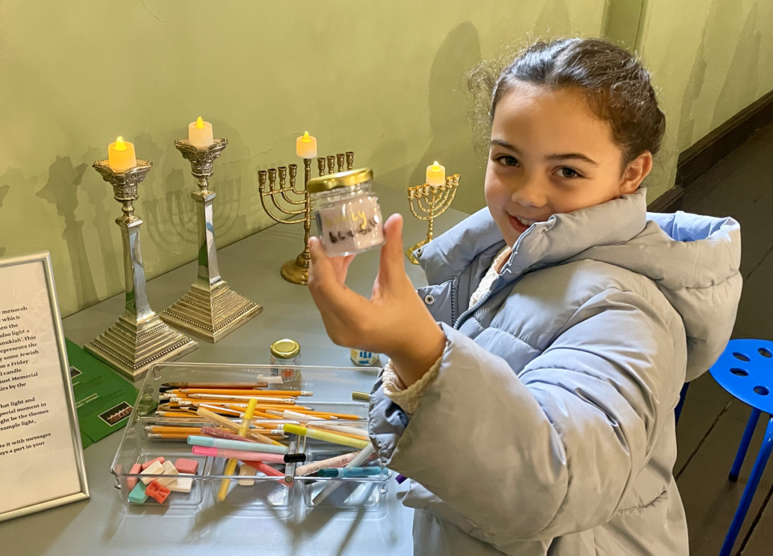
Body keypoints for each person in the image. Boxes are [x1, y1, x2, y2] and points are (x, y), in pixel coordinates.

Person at [307, 38, 742, 555]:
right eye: (508, 159)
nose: (527, 195)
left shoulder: (632, 313)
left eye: (567, 171)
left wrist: (419, 352)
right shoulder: (506, 251)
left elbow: (552, 483)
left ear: (632, 173)